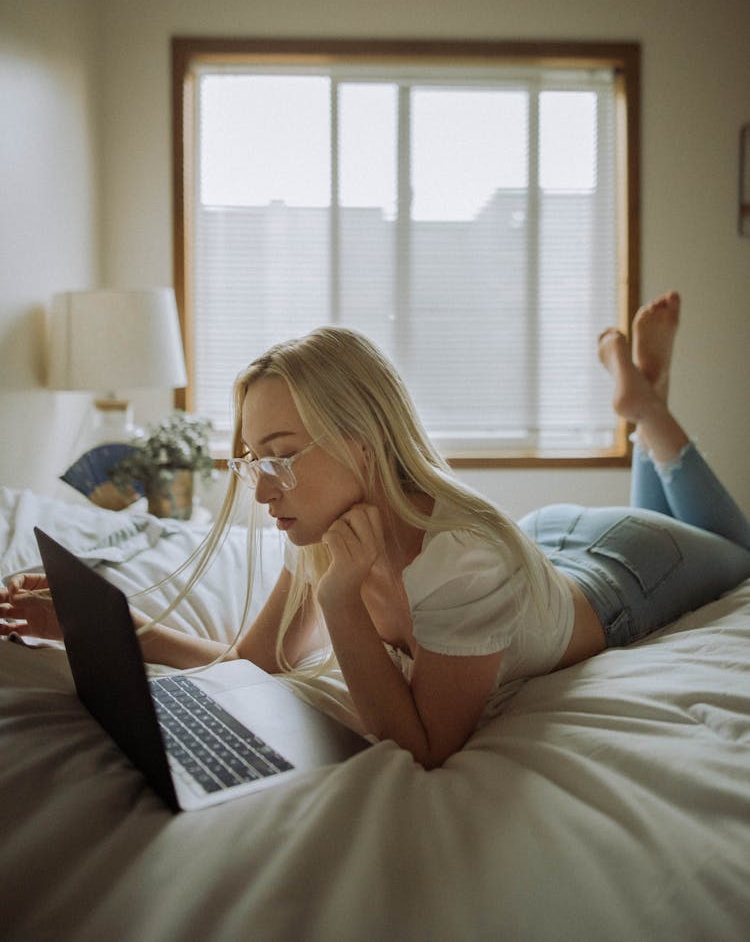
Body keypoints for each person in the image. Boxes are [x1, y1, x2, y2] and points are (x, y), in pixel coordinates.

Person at [2, 292, 749, 768]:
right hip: (548, 540)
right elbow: (249, 666)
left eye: (284, 458)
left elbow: (422, 746)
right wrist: (108, 624)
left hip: (625, 569)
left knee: (742, 553)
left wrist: (340, 604)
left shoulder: (463, 562)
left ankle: (647, 409)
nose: (263, 489)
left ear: (364, 440)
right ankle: (646, 395)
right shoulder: (325, 522)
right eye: (254, 461)